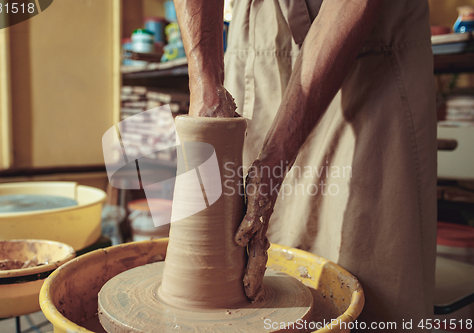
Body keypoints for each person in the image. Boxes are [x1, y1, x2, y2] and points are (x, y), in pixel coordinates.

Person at [173, 0, 437, 331]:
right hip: (257, 34)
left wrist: (276, 157)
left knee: (370, 278)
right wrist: (205, 84)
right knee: (247, 257)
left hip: (370, 42)